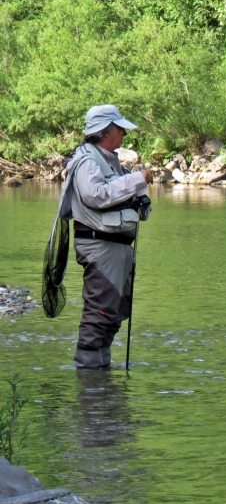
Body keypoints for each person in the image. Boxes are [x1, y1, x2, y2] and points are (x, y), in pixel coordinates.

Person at [63, 104, 153, 368]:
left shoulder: (110, 161)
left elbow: (139, 205)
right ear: (107, 131)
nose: (124, 134)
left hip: (116, 247)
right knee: (100, 311)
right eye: (120, 128)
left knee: (114, 312)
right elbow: (95, 195)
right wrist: (137, 180)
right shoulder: (87, 161)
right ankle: (89, 376)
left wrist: (139, 192)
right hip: (99, 246)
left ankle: (100, 377)